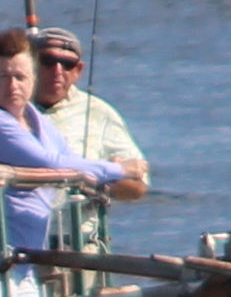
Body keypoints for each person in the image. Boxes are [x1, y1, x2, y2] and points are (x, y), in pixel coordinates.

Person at [0, 27, 126, 297]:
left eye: (21, 77)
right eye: (4, 77)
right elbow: (48, 163)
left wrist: (102, 172)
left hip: (20, 257)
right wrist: (121, 169)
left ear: (34, 79)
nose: (13, 86)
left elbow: (72, 160)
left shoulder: (36, 120)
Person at [31, 24, 148, 267]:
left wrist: (104, 184)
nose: (57, 70)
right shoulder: (5, 108)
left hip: (82, 247)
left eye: (67, 64)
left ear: (78, 70)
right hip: (21, 249)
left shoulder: (99, 112)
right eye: (48, 61)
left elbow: (138, 186)